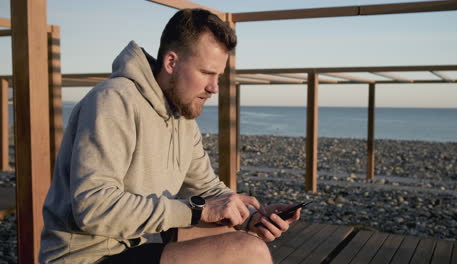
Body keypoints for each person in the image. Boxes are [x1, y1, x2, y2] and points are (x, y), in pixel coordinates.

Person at [39, 8, 301, 264]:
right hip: (90, 255)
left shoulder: (182, 116)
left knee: (233, 232)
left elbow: (207, 189)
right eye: (206, 73)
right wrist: (196, 210)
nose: (213, 88)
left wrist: (250, 217)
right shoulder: (113, 100)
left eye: (218, 76)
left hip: (140, 243)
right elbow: (94, 207)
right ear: (171, 62)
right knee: (248, 251)